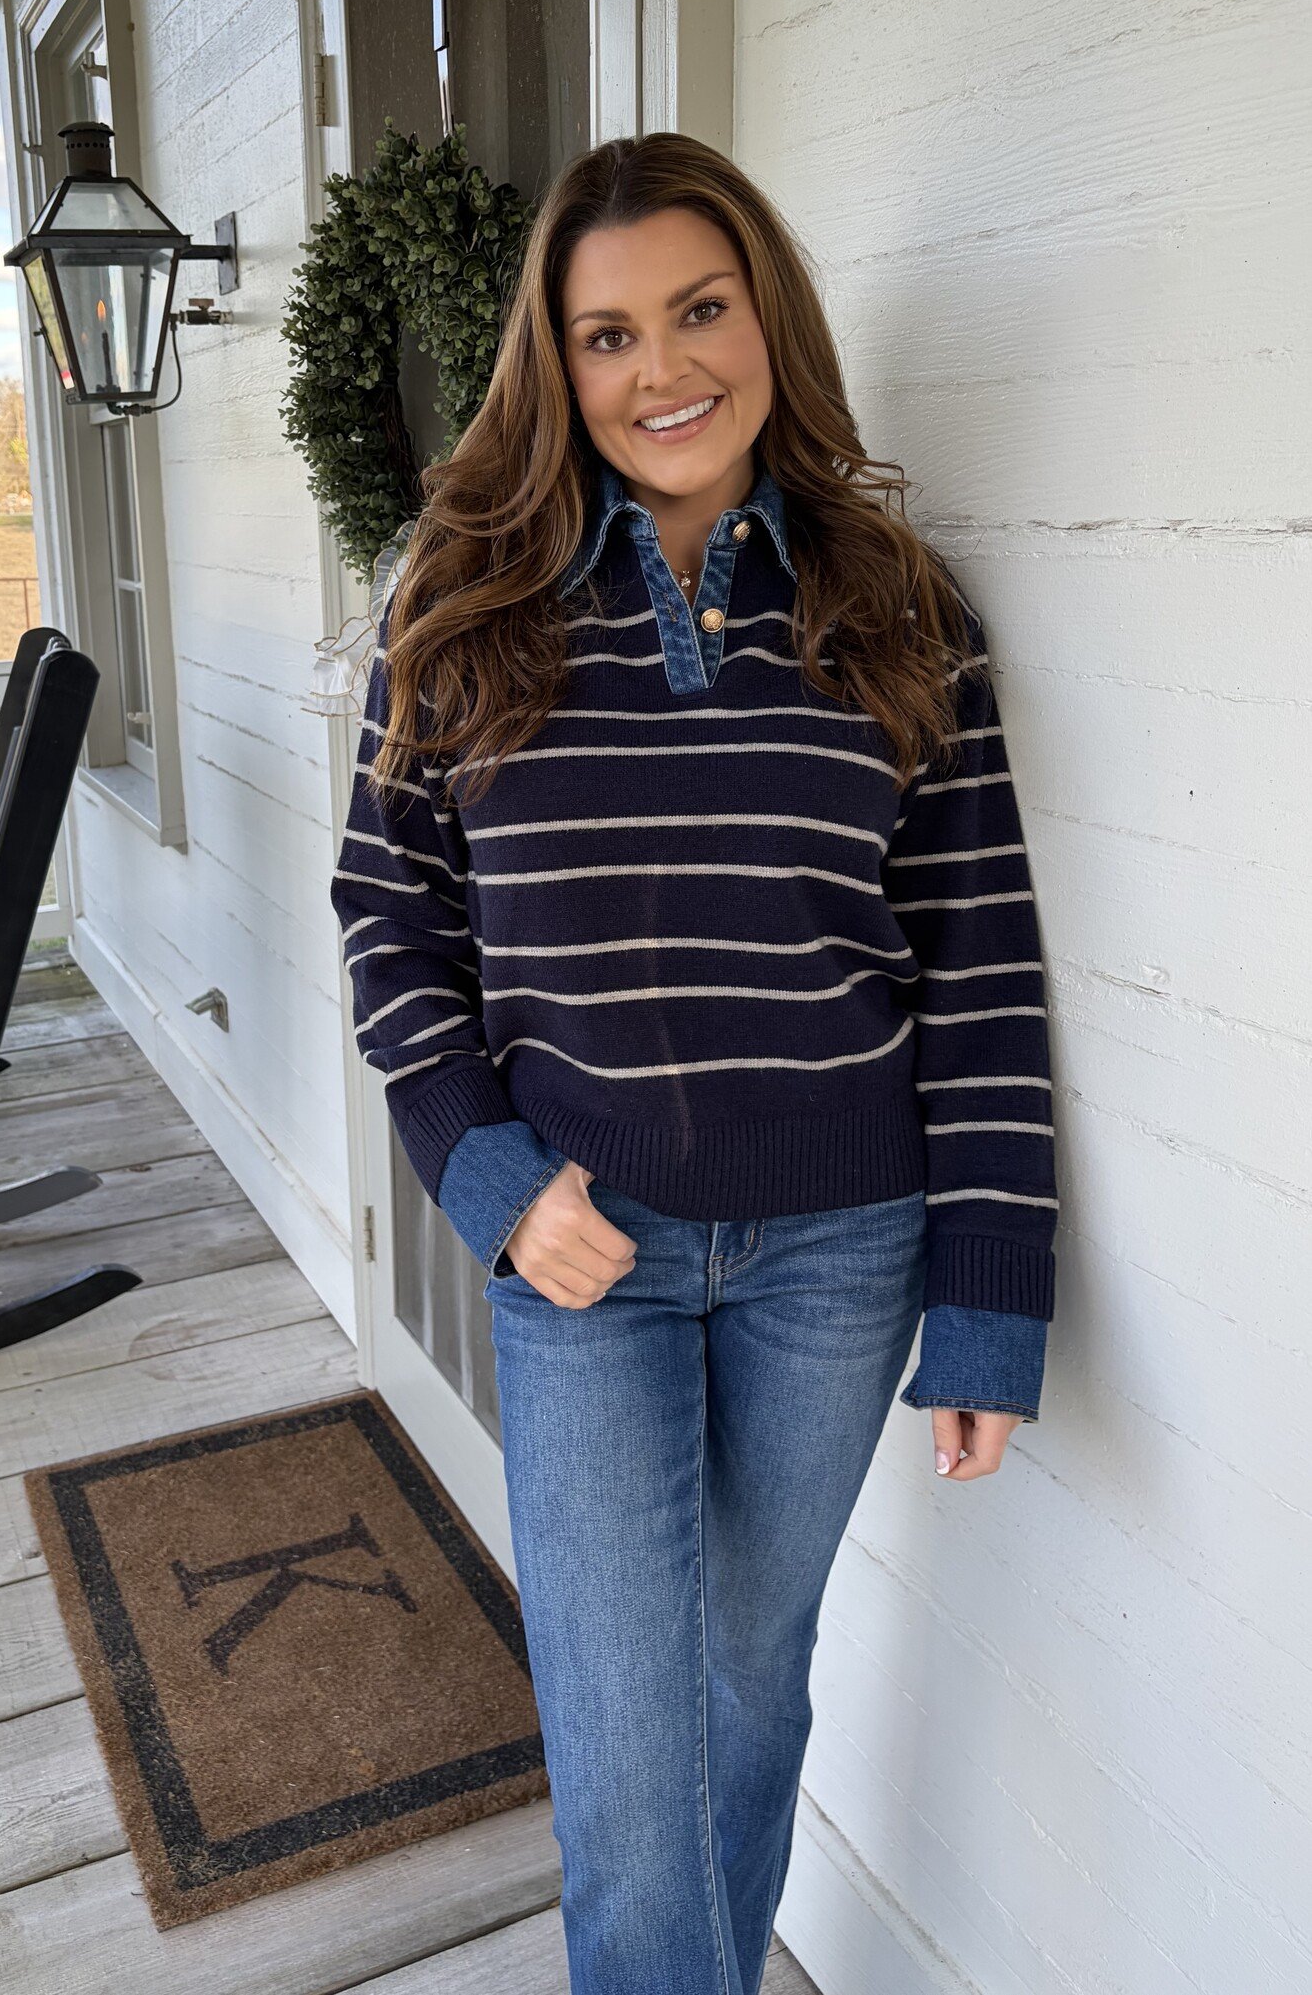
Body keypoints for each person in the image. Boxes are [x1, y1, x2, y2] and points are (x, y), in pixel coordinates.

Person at [329, 133, 1057, 1995]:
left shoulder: (898, 604)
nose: (664, 370)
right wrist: (487, 1181)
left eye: (701, 310)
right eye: (608, 333)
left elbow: (978, 977)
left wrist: (986, 1307)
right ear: (553, 367)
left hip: (843, 1252)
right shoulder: (460, 603)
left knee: (747, 1692)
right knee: (632, 1753)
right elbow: (389, 923)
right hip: (591, 1247)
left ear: (768, 318)